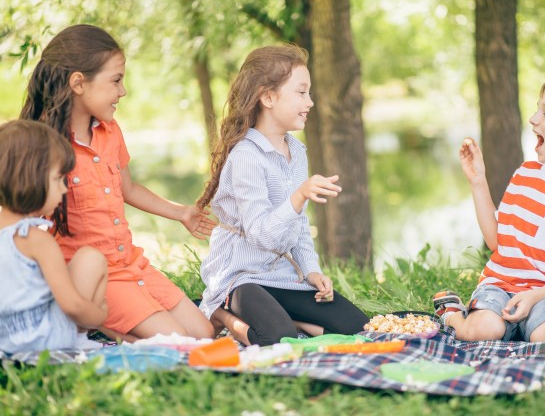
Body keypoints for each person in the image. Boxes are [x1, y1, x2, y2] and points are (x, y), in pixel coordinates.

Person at [20, 24, 217, 342]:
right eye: (116, 81)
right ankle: (98, 324)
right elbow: (25, 220)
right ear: (78, 83)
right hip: (93, 278)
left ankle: (112, 329)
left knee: (203, 332)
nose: (122, 91)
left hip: (131, 263)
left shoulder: (110, 132)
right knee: (181, 343)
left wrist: (180, 213)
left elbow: (129, 188)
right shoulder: (44, 145)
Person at [196, 45, 369, 346]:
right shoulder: (247, 157)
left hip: (281, 274)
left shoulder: (297, 152)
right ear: (268, 97)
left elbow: (299, 227)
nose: (310, 102)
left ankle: (292, 319)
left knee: (358, 327)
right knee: (276, 338)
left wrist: (312, 271)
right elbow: (261, 235)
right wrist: (299, 196)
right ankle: (219, 311)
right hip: (242, 276)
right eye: (301, 93)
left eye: (309, 93)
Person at [433, 73, 545, 343]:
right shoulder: (525, 175)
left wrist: (534, 296)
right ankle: (451, 313)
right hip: (499, 286)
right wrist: (478, 182)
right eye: (537, 110)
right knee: (483, 330)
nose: (533, 119)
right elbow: (497, 242)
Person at [0, 120, 108, 353]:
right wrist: (99, 316)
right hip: (45, 339)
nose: (64, 189)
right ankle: (79, 338)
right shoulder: (36, 239)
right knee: (91, 258)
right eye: (58, 179)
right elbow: (72, 305)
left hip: (5, 342)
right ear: (32, 179)